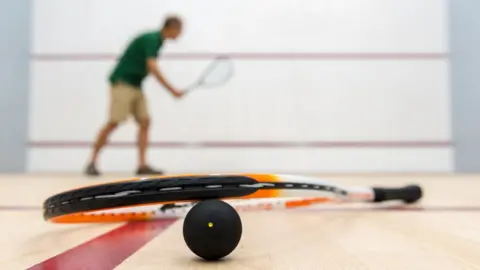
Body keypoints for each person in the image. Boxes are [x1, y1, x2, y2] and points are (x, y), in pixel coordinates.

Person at [84, 16, 184, 176]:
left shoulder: (158, 41)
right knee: (114, 122)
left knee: (145, 121)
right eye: (180, 30)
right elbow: (152, 67)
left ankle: (142, 165)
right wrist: (172, 90)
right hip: (122, 83)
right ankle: (92, 162)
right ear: (172, 28)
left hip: (136, 85)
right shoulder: (152, 39)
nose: (180, 34)